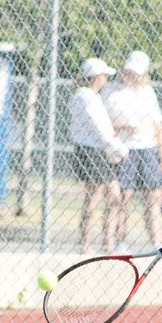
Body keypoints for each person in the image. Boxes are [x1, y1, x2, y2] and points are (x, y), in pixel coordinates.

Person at [103, 51, 162, 249]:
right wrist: (123, 127)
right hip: (124, 149)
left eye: (136, 73)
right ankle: (119, 241)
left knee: (154, 196)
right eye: (129, 71)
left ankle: (157, 243)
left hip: (147, 148)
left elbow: (158, 125)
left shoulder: (147, 92)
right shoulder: (111, 92)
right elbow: (102, 123)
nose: (131, 75)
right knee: (123, 196)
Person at [70, 57, 128, 254]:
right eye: (103, 75)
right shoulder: (85, 96)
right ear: (95, 77)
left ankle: (108, 244)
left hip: (98, 151)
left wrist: (115, 147)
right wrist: (120, 149)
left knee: (114, 196)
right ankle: (85, 244)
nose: (105, 79)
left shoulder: (91, 96)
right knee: (94, 197)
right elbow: (100, 128)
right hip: (91, 151)